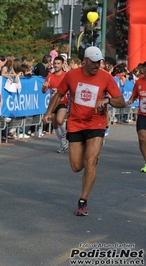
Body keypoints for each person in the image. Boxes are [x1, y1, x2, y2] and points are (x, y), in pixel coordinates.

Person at [42, 46, 125, 216]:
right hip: (76, 123)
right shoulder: (72, 75)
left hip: (96, 124)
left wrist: (107, 100)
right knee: (76, 166)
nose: (97, 65)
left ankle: (83, 200)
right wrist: (48, 113)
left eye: (99, 61)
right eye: (94, 62)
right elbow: (58, 94)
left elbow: (121, 101)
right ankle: (91, 161)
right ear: (85, 61)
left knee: (90, 162)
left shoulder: (106, 77)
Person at [42, 56, 68, 153]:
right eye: (55, 63)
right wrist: (44, 87)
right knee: (55, 124)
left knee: (59, 120)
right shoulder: (50, 76)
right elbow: (44, 91)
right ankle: (63, 142)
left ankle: (66, 135)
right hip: (53, 103)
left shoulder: (66, 75)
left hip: (63, 102)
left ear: (62, 64)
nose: (56, 65)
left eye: (58, 63)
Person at [126, 61, 146, 172]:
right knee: (142, 138)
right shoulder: (139, 82)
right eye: (144, 68)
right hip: (142, 115)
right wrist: (129, 102)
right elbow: (134, 96)